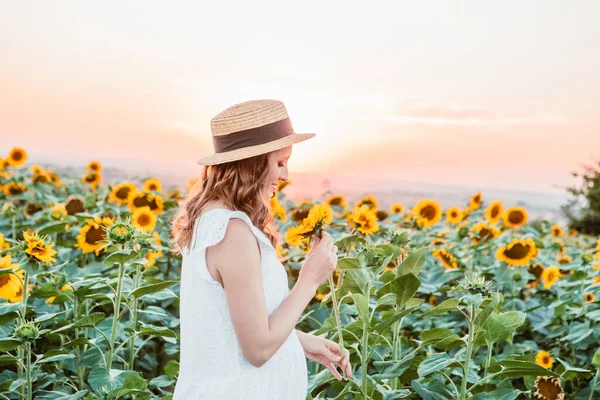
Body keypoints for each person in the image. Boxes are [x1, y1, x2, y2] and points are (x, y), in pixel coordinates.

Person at [170, 99, 352, 399]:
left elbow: (228, 326)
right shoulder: (232, 231)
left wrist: (299, 341)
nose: (286, 175)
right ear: (253, 163)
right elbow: (257, 349)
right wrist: (309, 281)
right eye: (280, 162)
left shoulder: (213, 221)